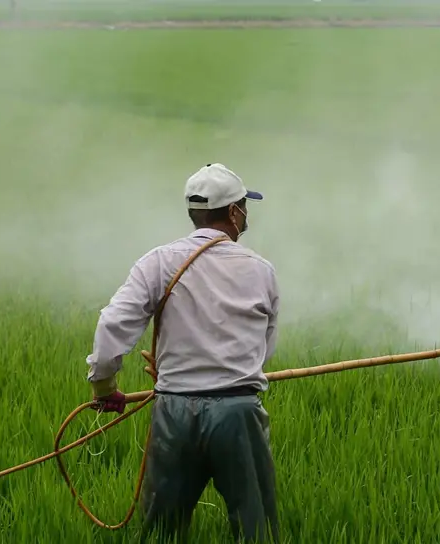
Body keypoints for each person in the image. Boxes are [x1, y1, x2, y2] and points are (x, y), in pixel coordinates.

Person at [83, 163, 281, 543]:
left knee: (163, 532)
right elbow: (263, 353)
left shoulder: (158, 261)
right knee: (256, 528)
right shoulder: (261, 271)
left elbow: (112, 325)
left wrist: (104, 387)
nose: (246, 214)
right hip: (238, 413)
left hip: (174, 411)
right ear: (234, 212)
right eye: (244, 206)